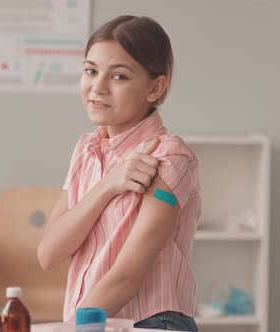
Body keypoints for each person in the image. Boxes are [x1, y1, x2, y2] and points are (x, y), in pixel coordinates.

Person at [37, 16, 201, 331]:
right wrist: (108, 185)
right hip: (94, 323)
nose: (97, 87)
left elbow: (127, 276)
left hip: (152, 323)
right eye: (90, 71)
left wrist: (72, 328)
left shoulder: (169, 157)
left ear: (155, 87)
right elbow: (49, 252)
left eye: (119, 76)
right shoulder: (87, 151)